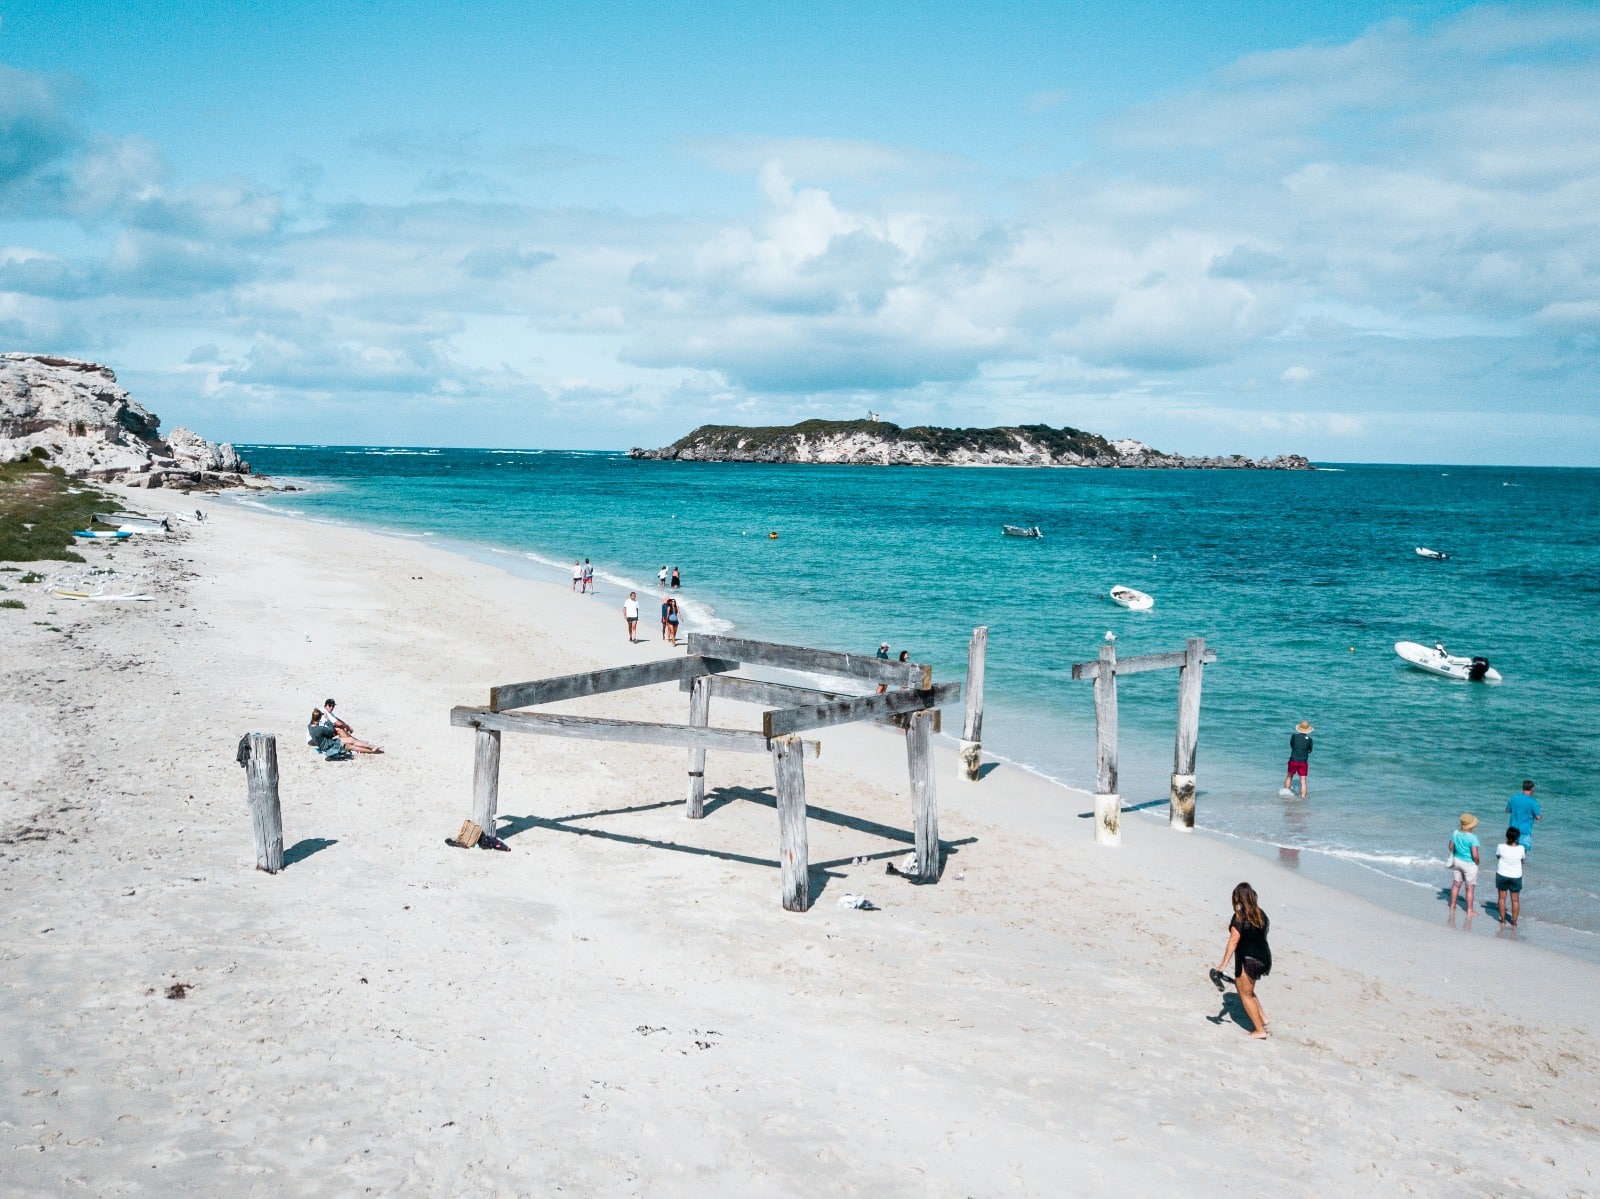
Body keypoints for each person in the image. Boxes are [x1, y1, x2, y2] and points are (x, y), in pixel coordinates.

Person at [1214, 882, 1272, 1039]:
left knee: (1244, 994)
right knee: (1249, 990)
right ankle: (1263, 1018)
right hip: (1264, 958)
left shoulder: (1239, 917)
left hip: (1248, 960)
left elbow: (1234, 941)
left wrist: (1223, 964)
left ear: (1238, 899)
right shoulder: (1261, 914)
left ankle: (1260, 1030)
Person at [1448, 813, 1480, 915]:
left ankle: (1452, 905)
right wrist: (1477, 862)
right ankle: (1469, 910)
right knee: (1469, 888)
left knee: (1456, 884)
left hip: (1457, 860)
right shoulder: (1473, 838)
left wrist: (1457, 852)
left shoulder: (1455, 833)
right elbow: (1475, 855)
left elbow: (1450, 846)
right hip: (1469, 864)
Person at [1495, 826, 1526, 926]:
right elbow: (1522, 861)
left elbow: (1498, 856)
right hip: (1516, 876)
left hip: (1502, 874)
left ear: (1507, 836)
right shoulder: (1521, 849)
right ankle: (1514, 921)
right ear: (1517, 838)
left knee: (1501, 898)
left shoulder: (1500, 847)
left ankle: (1503, 919)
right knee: (1515, 899)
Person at [1506, 779, 1541, 852]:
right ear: (1532, 789)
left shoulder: (1514, 798)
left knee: (1511, 852)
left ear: (1523, 788)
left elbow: (1507, 810)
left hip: (1512, 830)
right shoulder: (1532, 801)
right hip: (1525, 831)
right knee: (1522, 854)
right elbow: (1538, 817)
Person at [1281, 720, 1313, 799]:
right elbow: (1309, 750)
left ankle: (1286, 793)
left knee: (1289, 776)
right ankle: (1303, 798)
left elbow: (1292, 745)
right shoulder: (1309, 740)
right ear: (1307, 730)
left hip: (1293, 760)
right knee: (1303, 780)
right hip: (1303, 762)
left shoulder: (1294, 736)